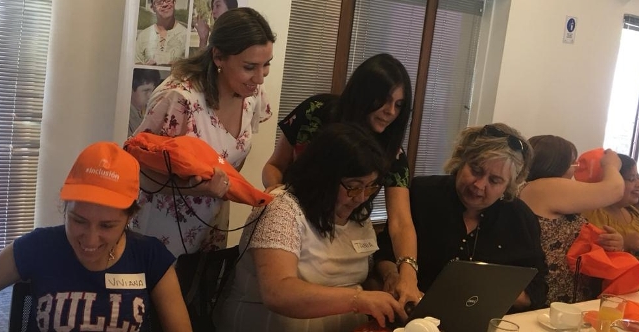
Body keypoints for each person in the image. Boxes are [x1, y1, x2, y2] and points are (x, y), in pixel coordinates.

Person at [0, 142, 192, 331]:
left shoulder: (149, 257)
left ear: (129, 218)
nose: (90, 239)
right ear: (64, 208)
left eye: (107, 226)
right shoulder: (39, 247)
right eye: (78, 221)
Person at [261, 53, 422, 305]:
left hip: (344, 230)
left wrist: (407, 275)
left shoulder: (392, 152)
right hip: (298, 219)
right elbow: (274, 166)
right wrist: (282, 204)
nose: (390, 112)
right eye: (384, 101)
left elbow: (401, 221)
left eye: (399, 105)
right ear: (364, 94)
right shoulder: (316, 112)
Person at [215, 123, 408, 332]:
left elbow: (357, 276)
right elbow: (278, 292)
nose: (361, 197)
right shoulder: (282, 209)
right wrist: (358, 299)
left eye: (370, 187)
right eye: (353, 187)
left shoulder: (357, 214)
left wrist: (390, 280)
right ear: (324, 178)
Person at [131, 7, 275, 257]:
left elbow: (234, 155)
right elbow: (137, 172)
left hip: (212, 226)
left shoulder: (251, 94)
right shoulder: (179, 98)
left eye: (266, 65)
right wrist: (200, 189)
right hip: (163, 232)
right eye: (250, 66)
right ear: (218, 56)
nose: (260, 78)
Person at [375, 123, 548, 312]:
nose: (479, 185)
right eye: (476, 170)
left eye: (495, 180)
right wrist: (391, 275)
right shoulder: (422, 194)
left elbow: (537, 289)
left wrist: (481, 292)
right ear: (460, 160)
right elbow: (384, 254)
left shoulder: (520, 217)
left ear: (508, 186)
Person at [518, 135, 625, 304]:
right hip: (547, 300)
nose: (575, 169)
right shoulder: (544, 187)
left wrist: (611, 242)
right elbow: (615, 190)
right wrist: (611, 165)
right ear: (556, 164)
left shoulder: (545, 192)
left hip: (567, 298)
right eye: (572, 163)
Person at [582, 154, 639, 256]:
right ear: (613, 181)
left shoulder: (632, 211)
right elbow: (587, 255)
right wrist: (625, 244)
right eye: (632, 179)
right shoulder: (592, 213)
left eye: (637, 177)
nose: (638, 184)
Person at [135, 0, 189, 66]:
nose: (164, 4)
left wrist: (179, 66)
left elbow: (196, 65)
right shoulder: (143, 35)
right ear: (153, 7)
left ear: (174, 3)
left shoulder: (186, 34)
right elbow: (136, 65)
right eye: (159, 2)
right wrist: (147, 69)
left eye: (168, 0)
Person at [129, 68, 161, 136]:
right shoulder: (126, 116)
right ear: (130, 90)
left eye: (153, 90)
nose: (150, 96)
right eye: (146, 91)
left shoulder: (145, 111)